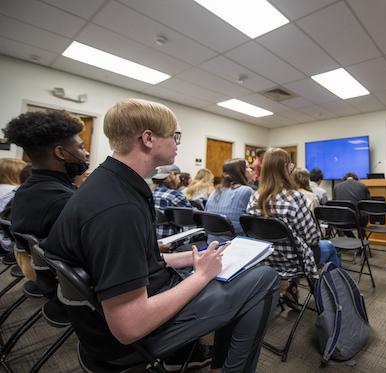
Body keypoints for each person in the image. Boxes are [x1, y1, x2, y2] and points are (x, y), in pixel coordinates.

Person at [44, 98, 278, 372]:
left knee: (232, 273)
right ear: (148, 138)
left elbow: (138, 260)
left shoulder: (109, 184)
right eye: (174, 136)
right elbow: (129, 327)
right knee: (264, 277)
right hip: (126, 342)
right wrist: (203, 275)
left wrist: (192, 259)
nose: (178, 143)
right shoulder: (119, 209)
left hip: (116, 315)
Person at [3, 110, 90, 323]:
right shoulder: (65, 202)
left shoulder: (25, 191)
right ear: (61, 153)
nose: (86, 152)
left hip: (49, 282)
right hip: (75, 291)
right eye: (80, 147)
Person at [247, 149, 340, 308]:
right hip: (295, 263)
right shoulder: (294, 197)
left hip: (265, 261)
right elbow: (312, 239)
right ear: (286, 168)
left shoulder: (255, 197)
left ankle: (293, 287)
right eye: (290, 163)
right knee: (329, 247)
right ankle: (336, 296)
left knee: (296, 245)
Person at [205, 159, 253, 243]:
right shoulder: (246, 191)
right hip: (235, 245)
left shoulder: (215, 191)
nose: (251, 170)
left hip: (212, 244)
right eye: (247, 167)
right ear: (240, 172)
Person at [152, 164, 192, 240]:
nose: (179, 180)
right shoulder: (175, 195)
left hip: (155, 240)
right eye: (179, 177)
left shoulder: (152, 194)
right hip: (172, 240)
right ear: (173, 175)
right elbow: (191, 217)